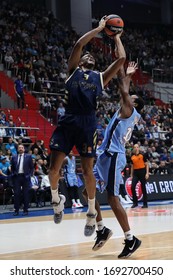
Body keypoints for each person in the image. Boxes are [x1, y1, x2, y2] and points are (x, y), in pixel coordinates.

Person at [48, 15, 126, 236]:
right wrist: (99, 28)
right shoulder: (72, 71)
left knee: (88, 172)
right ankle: (56, 199)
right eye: (87, 55)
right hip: (68, 121)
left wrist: (117, 37)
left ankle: (92, 213)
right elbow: (79, 44)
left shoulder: (99, 77)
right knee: (53, 170)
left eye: (92, 55)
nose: (89, 55)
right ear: (81, 60)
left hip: (88, 124)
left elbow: (121, 60)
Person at [90, 61, 144, 258]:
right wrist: (127, 73)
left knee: (113, 199)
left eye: (132, 98)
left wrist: (123, 68)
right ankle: (101, 228)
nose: (129, 97)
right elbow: (124, 89)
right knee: (89, 190)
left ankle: (131, 239)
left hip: (113, 156)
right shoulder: (128, 111)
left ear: (134, 104)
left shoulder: (129, 110)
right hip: (105, 154)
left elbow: (123, 89)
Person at [11, 144, 34, 216]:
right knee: (16, 194)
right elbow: (12, 167)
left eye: (22, 148)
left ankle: (25, 210)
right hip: (17, 177)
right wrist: (13, 174)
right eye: (19, 148)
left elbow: (32, 167)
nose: (20, 149)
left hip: (25, 177)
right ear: (17, 149)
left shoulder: (29, 156)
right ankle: (16, 210)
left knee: (25, 194)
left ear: (24, 149)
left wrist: (29, 175)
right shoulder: (14, 157)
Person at [130, 143, 149, 208]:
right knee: (132, 187)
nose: (136, 148)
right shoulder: (132, 156)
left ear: (139, 148)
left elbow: (147, 164)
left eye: (137, 147)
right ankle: (135, 203)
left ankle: (145, 204)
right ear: (133, 148)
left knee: (143, 187)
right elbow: (132, 166)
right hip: (136, 172)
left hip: (142, 171)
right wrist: (131, 175)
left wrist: (147, 173)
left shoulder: (142, 155)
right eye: (135, 147)